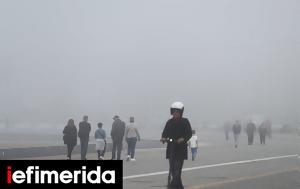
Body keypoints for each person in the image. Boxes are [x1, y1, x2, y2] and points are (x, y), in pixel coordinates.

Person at [160, 101, 192, 189]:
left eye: (177, 111)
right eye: (173, 111)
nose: (175, 113)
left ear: (181, 112)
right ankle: (179, 187)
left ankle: (171, 186)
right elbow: (164, 133)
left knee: (177, 170)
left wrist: (183, 139)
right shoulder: (169, 122)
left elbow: (189, 133)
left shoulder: (185, 122)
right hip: (171, 148)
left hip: (180, 149)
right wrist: (163, 138)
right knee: (173, 171)